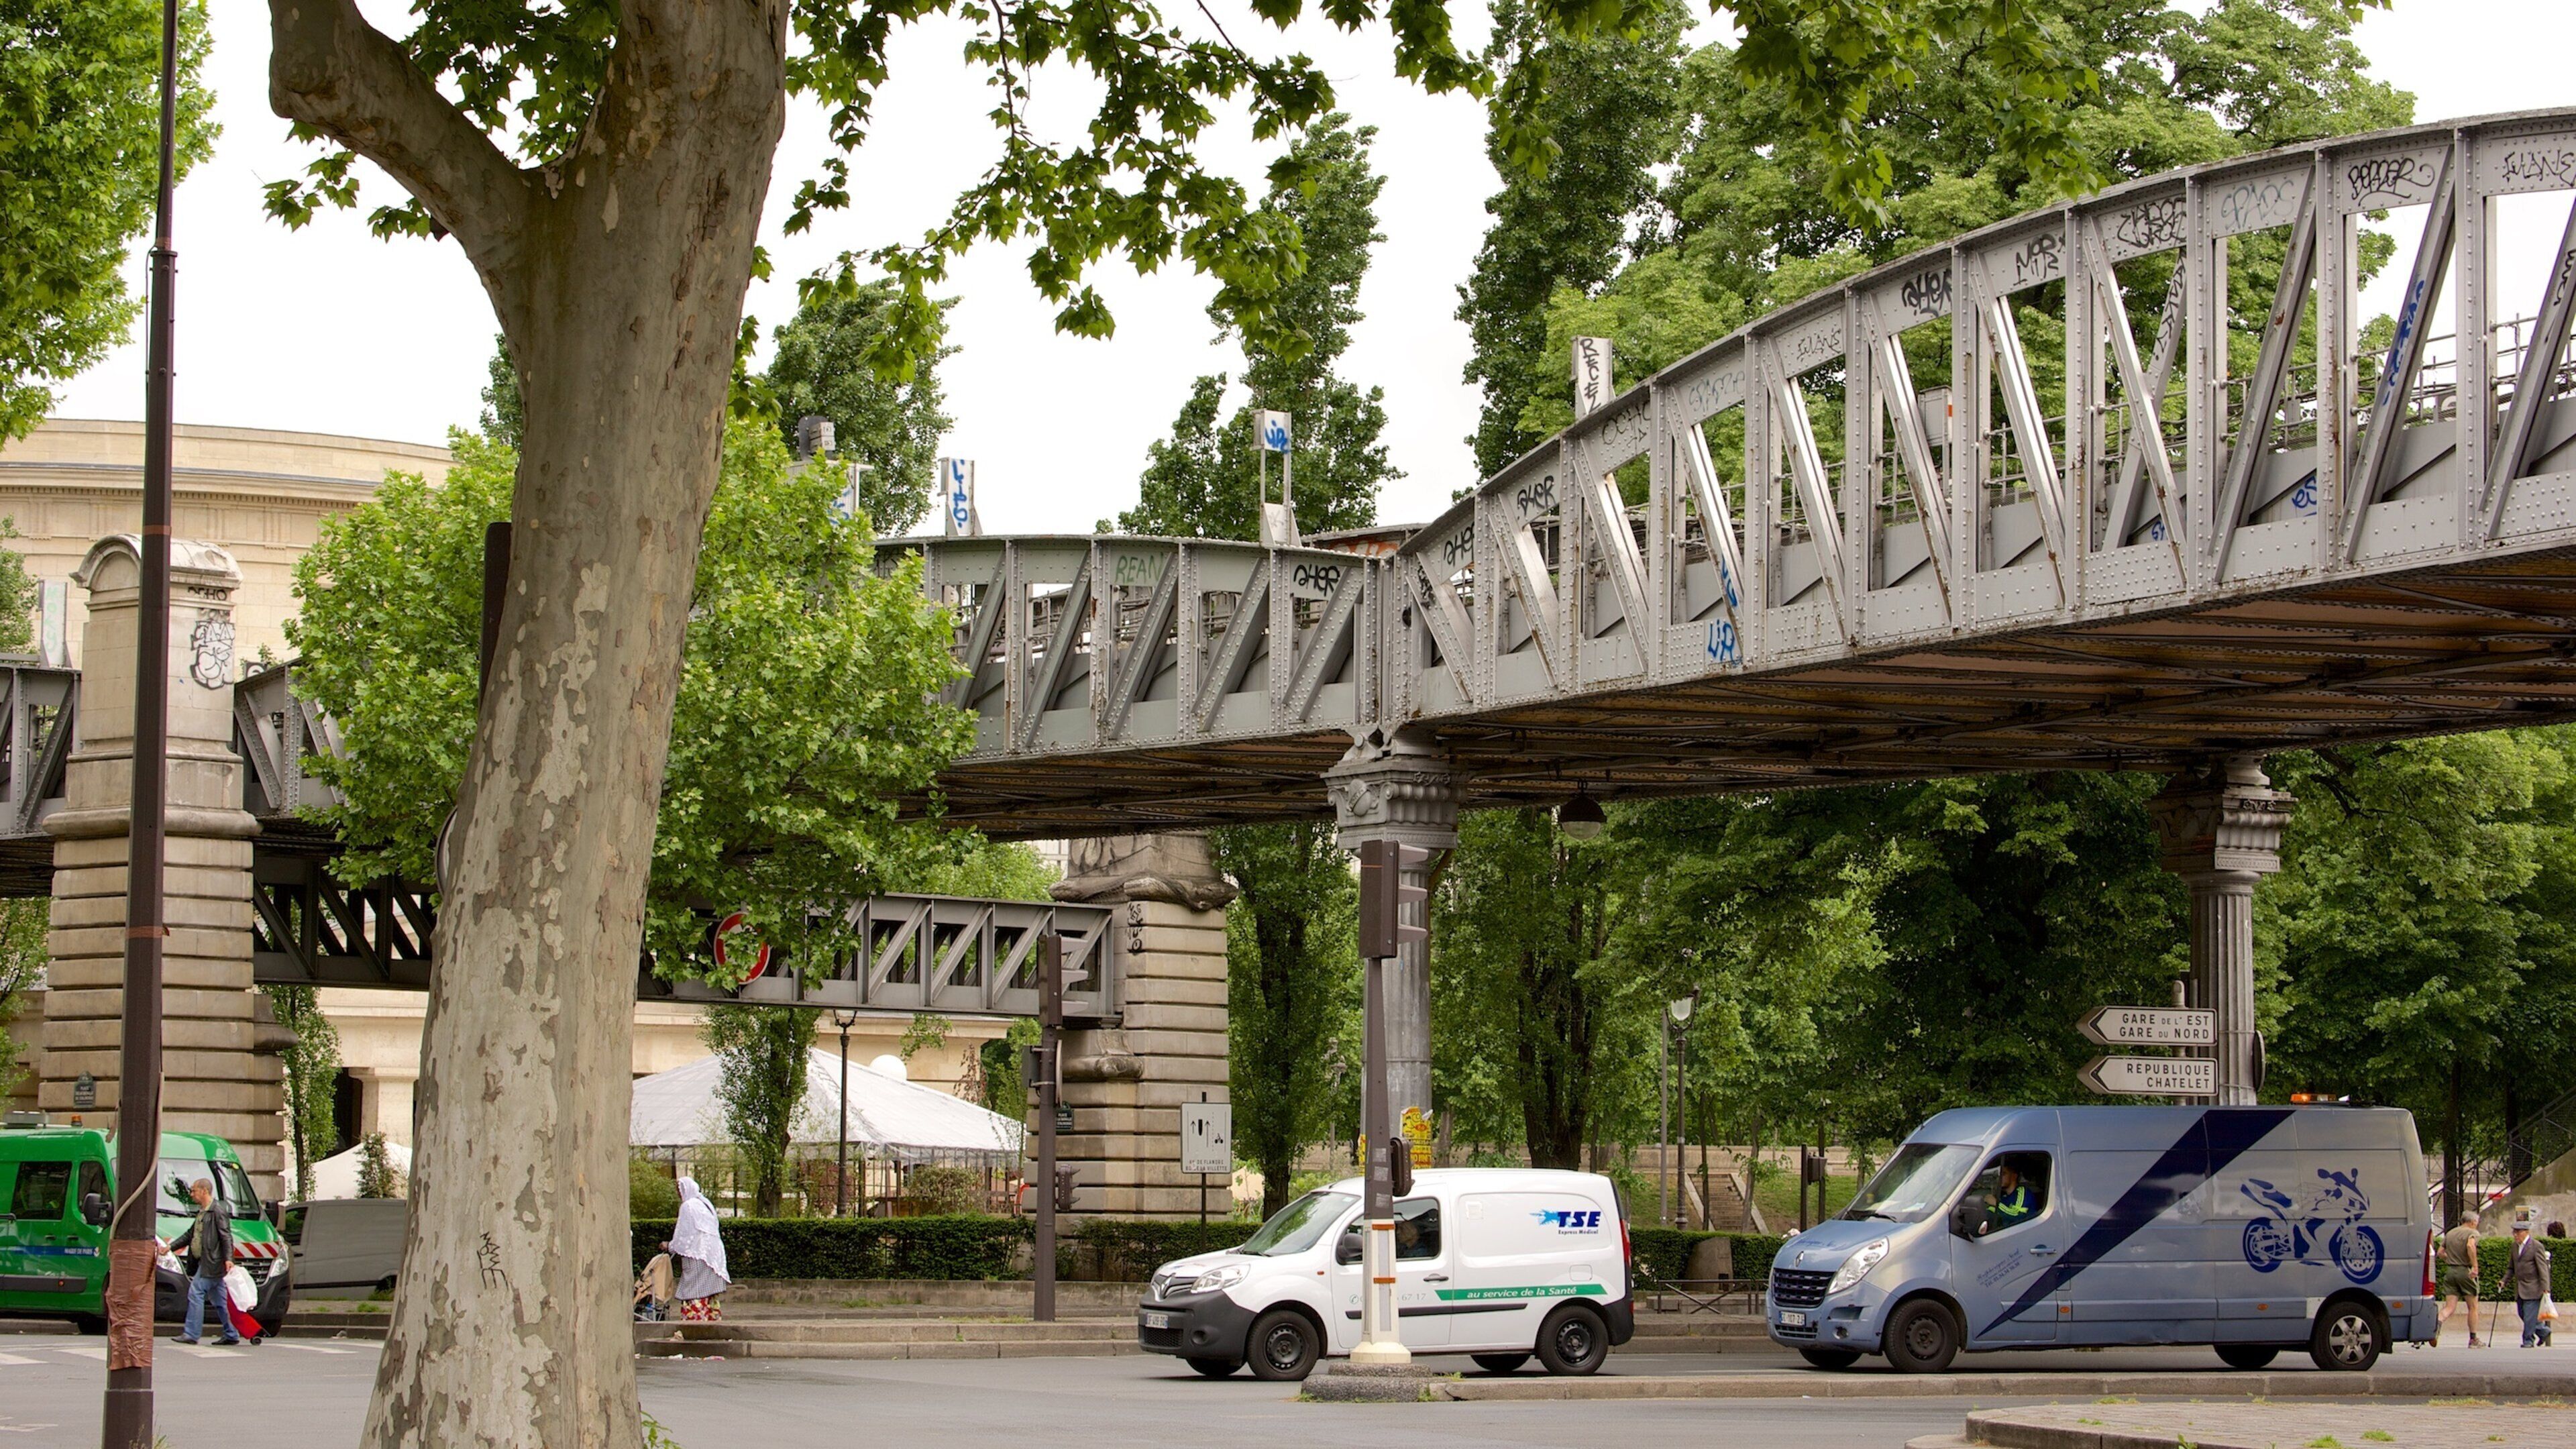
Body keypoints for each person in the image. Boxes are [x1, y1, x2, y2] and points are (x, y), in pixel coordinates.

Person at [175, 1178, 240, 1346]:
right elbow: (191, 1235)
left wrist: (229, 1259)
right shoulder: (203, 1212)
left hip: (212, 1262)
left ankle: (191, 1333)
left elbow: (226, 1236)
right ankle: (231, 1333)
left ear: (204, 1191)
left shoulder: (217, 1211)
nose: (191, 1194)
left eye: (194, 1190)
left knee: (196, 1292)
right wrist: (169, 1247)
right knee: (220, 1301)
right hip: (208, 1262)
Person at [670, 1177, 730, 1322]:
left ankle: (694, 1324)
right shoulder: (704, 1204)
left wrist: (670, 1246)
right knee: (709, 1295)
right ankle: (712, 1324)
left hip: (698, 1255)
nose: (679, 1194)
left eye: (680, 1190)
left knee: (694, 1292)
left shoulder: (688, 1206)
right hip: (714, 1258)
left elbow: (683, 1235)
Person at [2436, 1210, 2483, 1348]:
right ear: (2473, 1222)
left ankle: (2437, 1325)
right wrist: (2475, 1266)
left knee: (2449, 1307)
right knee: (2473, 1307)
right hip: (2465, 1272)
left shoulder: (2450, 1233)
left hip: (2451, 1272)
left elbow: (2440, 1252)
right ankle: (2473, 1339)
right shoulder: (2472, 1233)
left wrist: (2449, 1259)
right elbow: (2470, 1246)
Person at [2510, 1213, 2554, 1349]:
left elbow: (2543, 1268)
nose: (2515, 1235)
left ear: (2526, 1232)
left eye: (2518, 1232)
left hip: (2534, 1287)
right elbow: (2511, 1267)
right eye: (2514, 1232)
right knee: (2523, 1314)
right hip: (2520, 1288)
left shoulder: (2536, 1246)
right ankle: (2543, 1331)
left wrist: (2546, 1287)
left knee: (2529, 1316)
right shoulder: (2514, 1247)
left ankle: (2528, 1340)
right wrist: (2504, 1281)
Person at [1980, 1164, 2035, 1234]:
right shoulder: (2003, 1197)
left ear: (2014, 1176)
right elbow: (1992, 1212)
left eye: (2003, 1174)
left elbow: (2018, 1216)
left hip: (2023, 1235)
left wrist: (1996, 1203)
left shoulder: (2022, 1192)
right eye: (1999, 1175)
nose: (1999, 1178)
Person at [634, 1245, 675, 1322]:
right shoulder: (660, 1274)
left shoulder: (650, 1281)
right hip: (648, 1286)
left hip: (646, 1286)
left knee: (640, 1293)